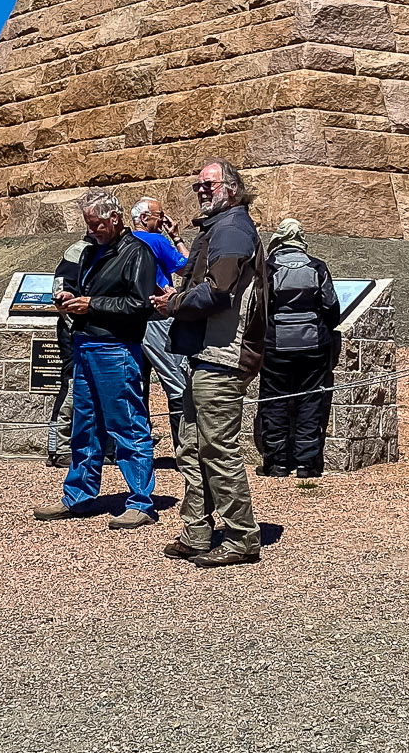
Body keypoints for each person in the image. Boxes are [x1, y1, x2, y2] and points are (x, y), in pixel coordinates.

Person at [153, 160, 268, 566]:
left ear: (232, 189)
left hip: (223, 354)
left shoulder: (233, 229)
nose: (201, 190)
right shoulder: (218, 228)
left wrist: (174, 304)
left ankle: (241, 538)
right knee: (189, 446)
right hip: (204, 353)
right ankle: (197, 530)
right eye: (198, 184)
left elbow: (219, 291)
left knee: (217, 449)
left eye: (209, 183)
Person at [33, 191, 160, 528]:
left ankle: (140, 501)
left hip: (116, 349)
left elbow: (140, 305)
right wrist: (70, 298)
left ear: (115, 218)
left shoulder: (138, 253)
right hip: (86, 345)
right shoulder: (92, 251)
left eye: (97, 224)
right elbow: (94, 293)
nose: (92, 231)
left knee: (127, 424)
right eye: (89, 225)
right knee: (84, 426)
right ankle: (79, 496)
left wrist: (92, 305)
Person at [256, 218, 342, 480]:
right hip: (313, 346)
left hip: (276, 347)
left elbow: (257, 309)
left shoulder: (268, 268)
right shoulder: (317, 267)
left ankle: (277, 464)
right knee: (310, 401)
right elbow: (331, 308)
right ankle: (307, 464)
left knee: (274, 402)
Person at [130, 196, 192, 456]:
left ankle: (133, 450)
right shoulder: (156, 241)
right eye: (159, 215)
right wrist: (176, 237)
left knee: (133, 385)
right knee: (177, 384)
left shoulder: (123, 242)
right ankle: (184, 448)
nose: (163, 219)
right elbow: (187, 269)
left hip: (127, 320)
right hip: (158, 320)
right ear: (145, 218)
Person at [44, 233, 90, 469]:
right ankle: (58, 447)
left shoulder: (117, 249)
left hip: (100, 335)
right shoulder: (77, 252)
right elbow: (60, 292)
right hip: (74, 331)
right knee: (72, 385)